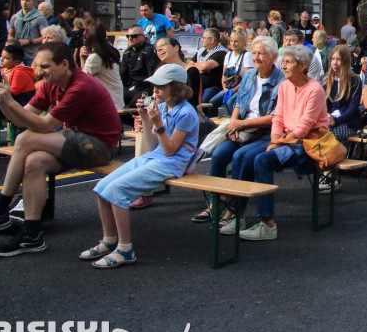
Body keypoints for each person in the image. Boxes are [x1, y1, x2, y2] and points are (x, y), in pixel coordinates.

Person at [0, 43, 120, 255]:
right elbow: (22, 117)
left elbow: (43, 125)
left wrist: (9, 101)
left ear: (64, 64)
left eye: (44, 66)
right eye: (37, 66)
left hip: (98, 146)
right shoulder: (50, 83)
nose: (38, 71)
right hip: (74, 143)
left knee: (26, 139)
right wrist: (3, 100)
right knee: (34, 161)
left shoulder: (81, 86)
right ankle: (31, 234)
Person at [83, 64, 199, 268]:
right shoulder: (163, 107)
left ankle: (125, 249)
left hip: (172, 163)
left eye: (160, 87)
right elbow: (153, 143)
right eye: (154, 87)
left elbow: (170, 150)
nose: (154, 91)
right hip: (156, 156)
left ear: (176, 87)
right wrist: (146, 119)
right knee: (102, 187)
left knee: (117, 190)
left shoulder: (186, 113)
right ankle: (109, 240)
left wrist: (158, 124)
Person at [239, 44, 330, 241]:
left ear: (303, 66)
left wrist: (278, 143)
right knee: (245, 156)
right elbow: (278, 118)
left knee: (261, 160)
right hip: (286, 139)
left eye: (288, 63)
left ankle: (268, 223)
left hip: (308, 143)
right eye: (283, 62)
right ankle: (236, 214)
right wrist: (274, 139)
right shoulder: (285, 86)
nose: (284, 67)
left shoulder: (315, 90)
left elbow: (304, 128)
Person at [190, 36, 283, 229]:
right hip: (242, 127)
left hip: (265, 131)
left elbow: (276, 117)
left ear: (273, 56)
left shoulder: (281, 81)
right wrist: (234, 122)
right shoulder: (249, 76)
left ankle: (234, 211)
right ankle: (214, 204)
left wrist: (239, 125)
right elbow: (240, 102)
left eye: (261, 53)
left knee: (242, 157)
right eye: (254, 53)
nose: (256, 58)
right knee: (218, 155)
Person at [0, 43, 35, 122]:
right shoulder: (2, 70)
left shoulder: (20, 73)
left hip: (20, 103)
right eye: (2, 56)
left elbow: (11, 95)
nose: (1, 59)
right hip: (4, 100)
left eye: (6, 58)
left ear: (16, 62)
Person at [80, 22, 125, 110]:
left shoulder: (95, 57)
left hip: (105, 103)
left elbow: (83, 78)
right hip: (116, 100)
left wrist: (82, 58)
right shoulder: (110, 52)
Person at [120, 25, 158, 108]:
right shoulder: (127, 52)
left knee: (137, 106)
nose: (130, 38)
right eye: (128, 36)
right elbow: (123, 75)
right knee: (117, 101)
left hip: (146, 88)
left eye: (134, 36)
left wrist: (153, 95)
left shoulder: (149, 51)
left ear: (143, 37)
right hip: (131, 87)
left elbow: (152, 75)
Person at [7, 0, 44, 65]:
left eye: (27, 0)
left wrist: (28, 41)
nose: (24, 2)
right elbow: (10, 34)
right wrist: (13, 42)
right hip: (16, 55)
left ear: (33, 2)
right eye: (23, 0)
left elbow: (45, 37)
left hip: (31, 55)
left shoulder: (39, 18)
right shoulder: (15, 17)